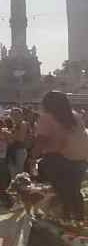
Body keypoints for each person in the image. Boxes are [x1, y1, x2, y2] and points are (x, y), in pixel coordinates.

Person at [35, 91, 88, 220]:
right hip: (79, 160)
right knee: (74, 191)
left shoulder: (47, 117)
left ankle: (66, 220)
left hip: (57, 159)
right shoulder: (75, 116)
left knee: (62, 192)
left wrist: (33, 156)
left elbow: (41, 140)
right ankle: (79, 219)